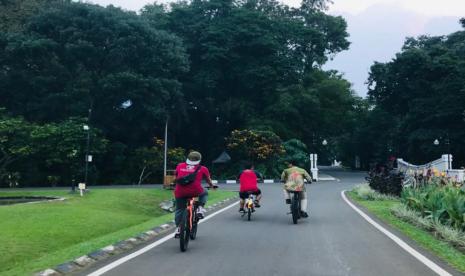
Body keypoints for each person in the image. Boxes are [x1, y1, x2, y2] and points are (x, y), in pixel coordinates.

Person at [173, 151, 214, 238]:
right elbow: (208, 180)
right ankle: (200, 208)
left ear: (188, 158)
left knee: (179, 209)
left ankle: (179, 228)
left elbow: (175, 178)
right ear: (199, 160)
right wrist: (212, 186)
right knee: (205, 193)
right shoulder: (203, 168)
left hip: (180, 192)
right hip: (196, 191)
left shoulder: (180, 166)